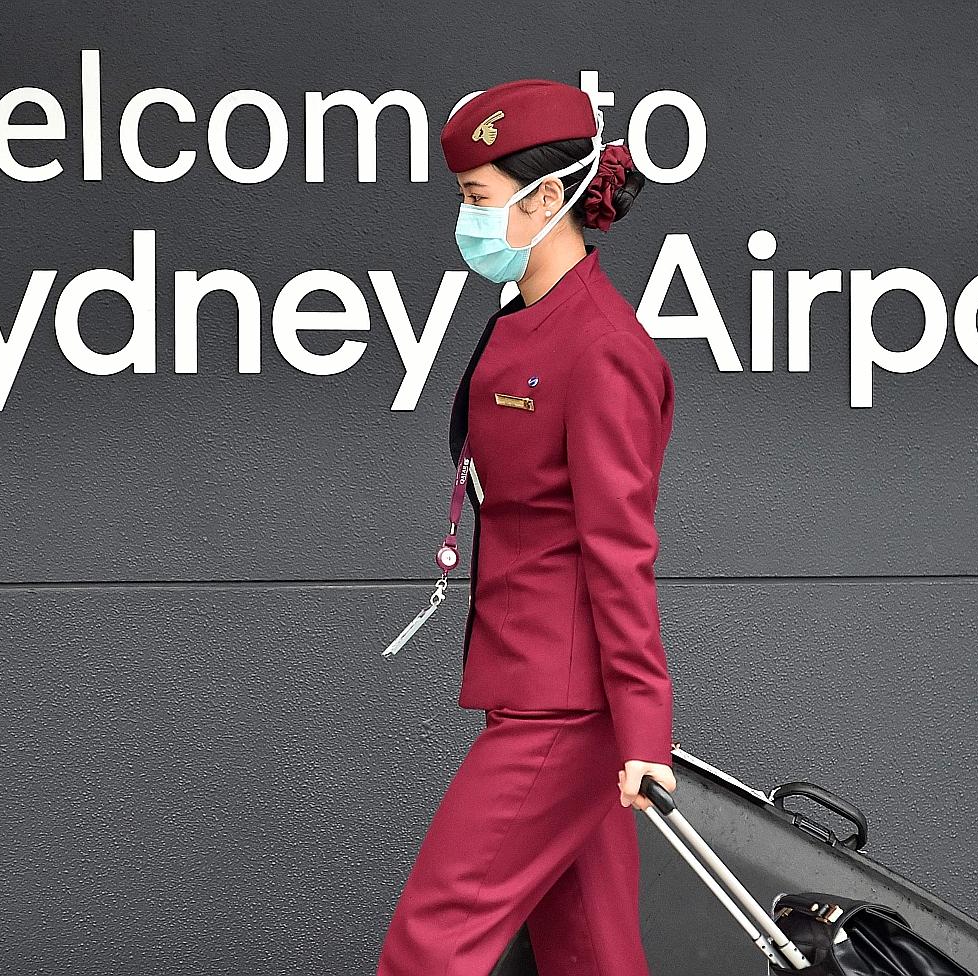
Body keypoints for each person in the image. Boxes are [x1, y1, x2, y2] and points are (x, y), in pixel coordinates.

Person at [377, 77, 678, 976]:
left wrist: (643, 736)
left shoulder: (603, 350)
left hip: (564, 706)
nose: (465, 221)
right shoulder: (528, 317)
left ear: (547, 198)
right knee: (595, 957)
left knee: (429, 951)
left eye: (477, 198)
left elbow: (620, 554)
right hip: (529, 682)